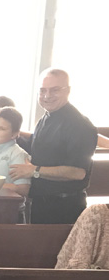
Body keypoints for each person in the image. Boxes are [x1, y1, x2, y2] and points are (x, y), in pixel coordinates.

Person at [9, 68, 97, 224]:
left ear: (68, 91)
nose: (47, 96)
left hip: (64, 208)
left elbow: (77, 172)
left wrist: (34, 170)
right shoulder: (46, 117)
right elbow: (42, 149)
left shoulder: (79, 125)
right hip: (41, 204)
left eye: (55, 90)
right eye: (42, 90)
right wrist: (7, 133)